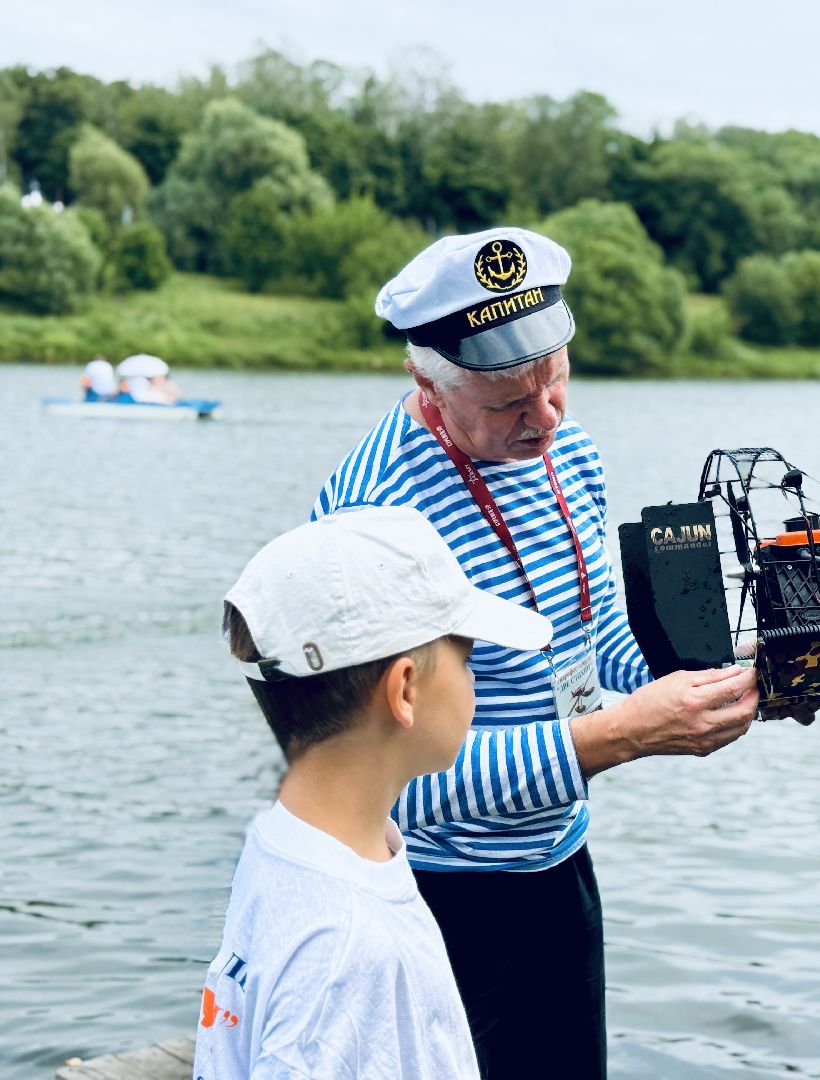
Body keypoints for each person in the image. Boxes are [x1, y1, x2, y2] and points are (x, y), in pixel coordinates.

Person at [312, 227, 760, 1079]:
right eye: (510, 402)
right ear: (426, 383)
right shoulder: (378, 515)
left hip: (557, 864)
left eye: (554, 378)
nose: (545, 417)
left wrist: (721, 679)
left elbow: (597, 648)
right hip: (432, 899)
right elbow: (382, 785)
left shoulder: (570, 452)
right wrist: (618, 737)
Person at [195, 504, 553, 1079]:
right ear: (405, 689)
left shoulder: (295, 841)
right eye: (466, 658)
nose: (475, 679)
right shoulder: (344, 953)